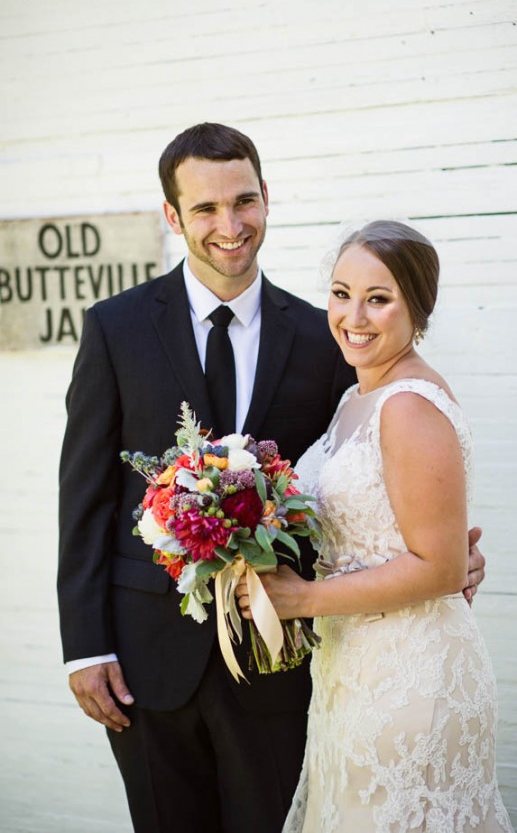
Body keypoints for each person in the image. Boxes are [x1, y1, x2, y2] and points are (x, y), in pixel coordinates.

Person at [57, 125, 486, 833]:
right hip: (146, 660)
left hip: (280, 667)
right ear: (173, 216)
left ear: (266, 199)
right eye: (205, 208)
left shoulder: (330, 338)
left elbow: (373, 474)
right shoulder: (116, 329)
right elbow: (86, 495)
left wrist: (446, 557)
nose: (230, 226)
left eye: (245, 201)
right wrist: (86, 646)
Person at [237, 220, 513, 832]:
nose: (353, 316)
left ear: (418, 306)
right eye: (341, 293)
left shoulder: (408, 406)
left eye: (378, 298)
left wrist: (303, 598)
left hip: (411, 679)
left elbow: (438, 566)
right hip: (353, 669)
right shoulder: (356, 395)